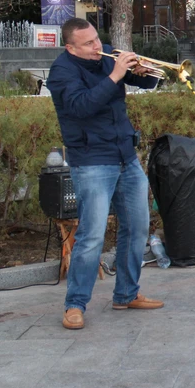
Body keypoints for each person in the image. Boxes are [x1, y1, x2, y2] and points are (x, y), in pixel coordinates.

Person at [47, 18, 164, 330]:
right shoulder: (62, 73)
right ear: (70, 47)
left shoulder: (106, 54)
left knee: (137, 228)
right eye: (88, 44)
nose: (97, 47)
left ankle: (126, 293)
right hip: (91, 160)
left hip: (126, 154)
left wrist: (143, 74)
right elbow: (81, 106)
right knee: (91, 236)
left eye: (97, 39)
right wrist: (115, 75)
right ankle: (74, 305)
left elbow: (147, 82)